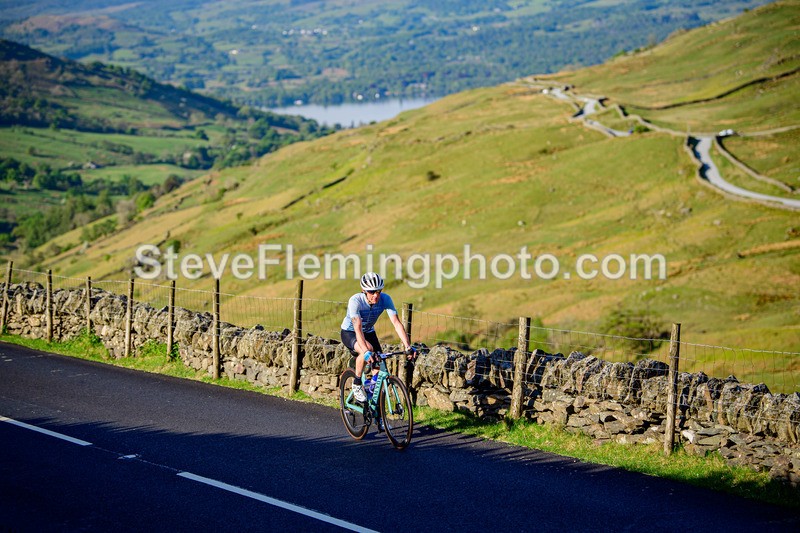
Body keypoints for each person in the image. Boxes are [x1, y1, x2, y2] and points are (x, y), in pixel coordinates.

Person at [340, 272, 414, 402]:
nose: (376, 295)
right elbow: (357, 329)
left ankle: (374, 404)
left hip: (369, 331)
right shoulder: (355, 301)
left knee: (379, 363)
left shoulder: (385, 299)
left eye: (378, 291)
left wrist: (408, 346)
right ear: (364, 290)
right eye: (372, 292)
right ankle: (357, 384)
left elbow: (396, 323)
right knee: (367, 349)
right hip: (350, 332)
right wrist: (366, 352)